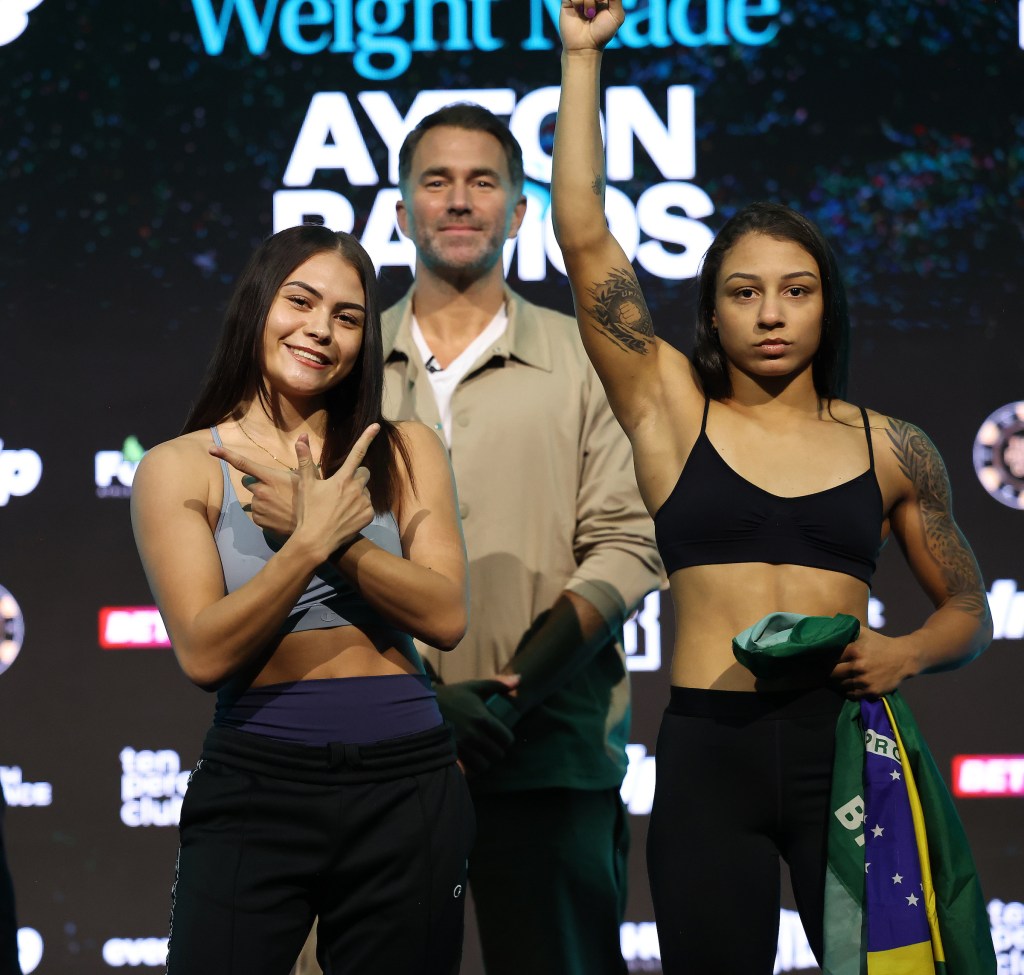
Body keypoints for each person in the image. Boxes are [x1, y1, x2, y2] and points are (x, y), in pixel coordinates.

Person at [551, 5, 993, 973]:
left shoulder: (894, 447)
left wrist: (906, 652)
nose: (770, 313)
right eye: (743, 292)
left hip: (848, 751)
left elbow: (970, 611)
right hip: (710, 755)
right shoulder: (671, 411)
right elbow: (583, 237)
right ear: (710, 312)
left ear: (827, 304)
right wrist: (582, 55)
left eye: (796, 289)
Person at [130, 224, 473, 975]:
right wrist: (309, 543)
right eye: (301, 301)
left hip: (407, 779)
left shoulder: (403, 448)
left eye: (347, 317)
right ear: (258, 305)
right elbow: (205, 652)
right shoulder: (179, 467)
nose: (320, 329)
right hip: (258, 780)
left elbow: (445, 615)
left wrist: (334, 539)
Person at [380, 103, 661, 975]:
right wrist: (427, 701)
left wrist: (508, 697)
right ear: (401, 213)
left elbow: (627, 544)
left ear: (519, 210)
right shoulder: (345, 365)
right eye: (437, 181)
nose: (460, 200)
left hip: (550, 754)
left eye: (483, 181)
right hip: (375, 751)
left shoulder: (589, 358)